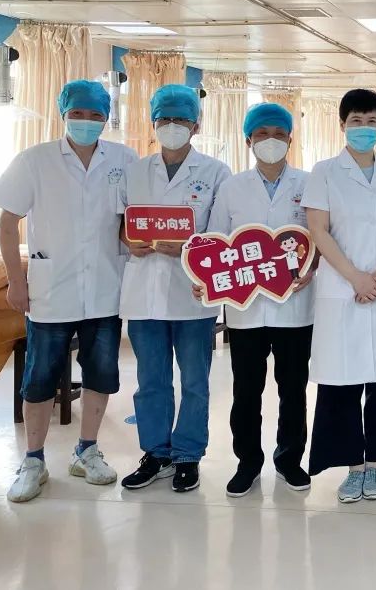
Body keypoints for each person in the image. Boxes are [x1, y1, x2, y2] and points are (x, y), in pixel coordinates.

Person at [0, 79, 138, 503]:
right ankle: (33, 461)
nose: (86, 121)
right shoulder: (35, 160)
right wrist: (16, 280)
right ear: (64, 115)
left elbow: (134, 220)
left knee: (101, 373)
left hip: (105, 289)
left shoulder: (124, 160)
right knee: (39, 378)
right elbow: (7, 221)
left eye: (95, 115)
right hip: (50, 290)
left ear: (106, 118)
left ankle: (87, 451)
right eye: (78, 114)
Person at [305, 88, 376, 503]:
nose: (364, 128)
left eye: (372, 121)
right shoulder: (324, 172)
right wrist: (356, 277)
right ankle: (353, 467)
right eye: (356, 120)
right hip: (343, 288)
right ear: (342, 125)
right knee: (343, 381)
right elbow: (319, 230)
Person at [119, 84, 231, 493]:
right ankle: (156, 453)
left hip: (192, 293)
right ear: (153, 123)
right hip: (144, 290)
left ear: (195, 125)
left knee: (195, 381)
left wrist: (187, 248)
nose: (172, 126)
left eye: (180, 120)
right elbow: (122, 222)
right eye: (164, 119)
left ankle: (187, 454)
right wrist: (128, 240)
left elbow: (221, 235)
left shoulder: (216, 172)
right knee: (151, 380)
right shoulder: (135, 171)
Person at [207, 103, 316, 497]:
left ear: (290, 139)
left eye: (278, 133)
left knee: (293, 389)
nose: (271, 140)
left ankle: (289, 460)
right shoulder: (232, 187)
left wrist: (313, 268)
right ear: (248, 141)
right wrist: (206, 281)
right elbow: (217, 243)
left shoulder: (309, 184)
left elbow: (321, 237)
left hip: (294, 306)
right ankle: (248, 462)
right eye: (262, 134)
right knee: (246, 391)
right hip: (246, 308)